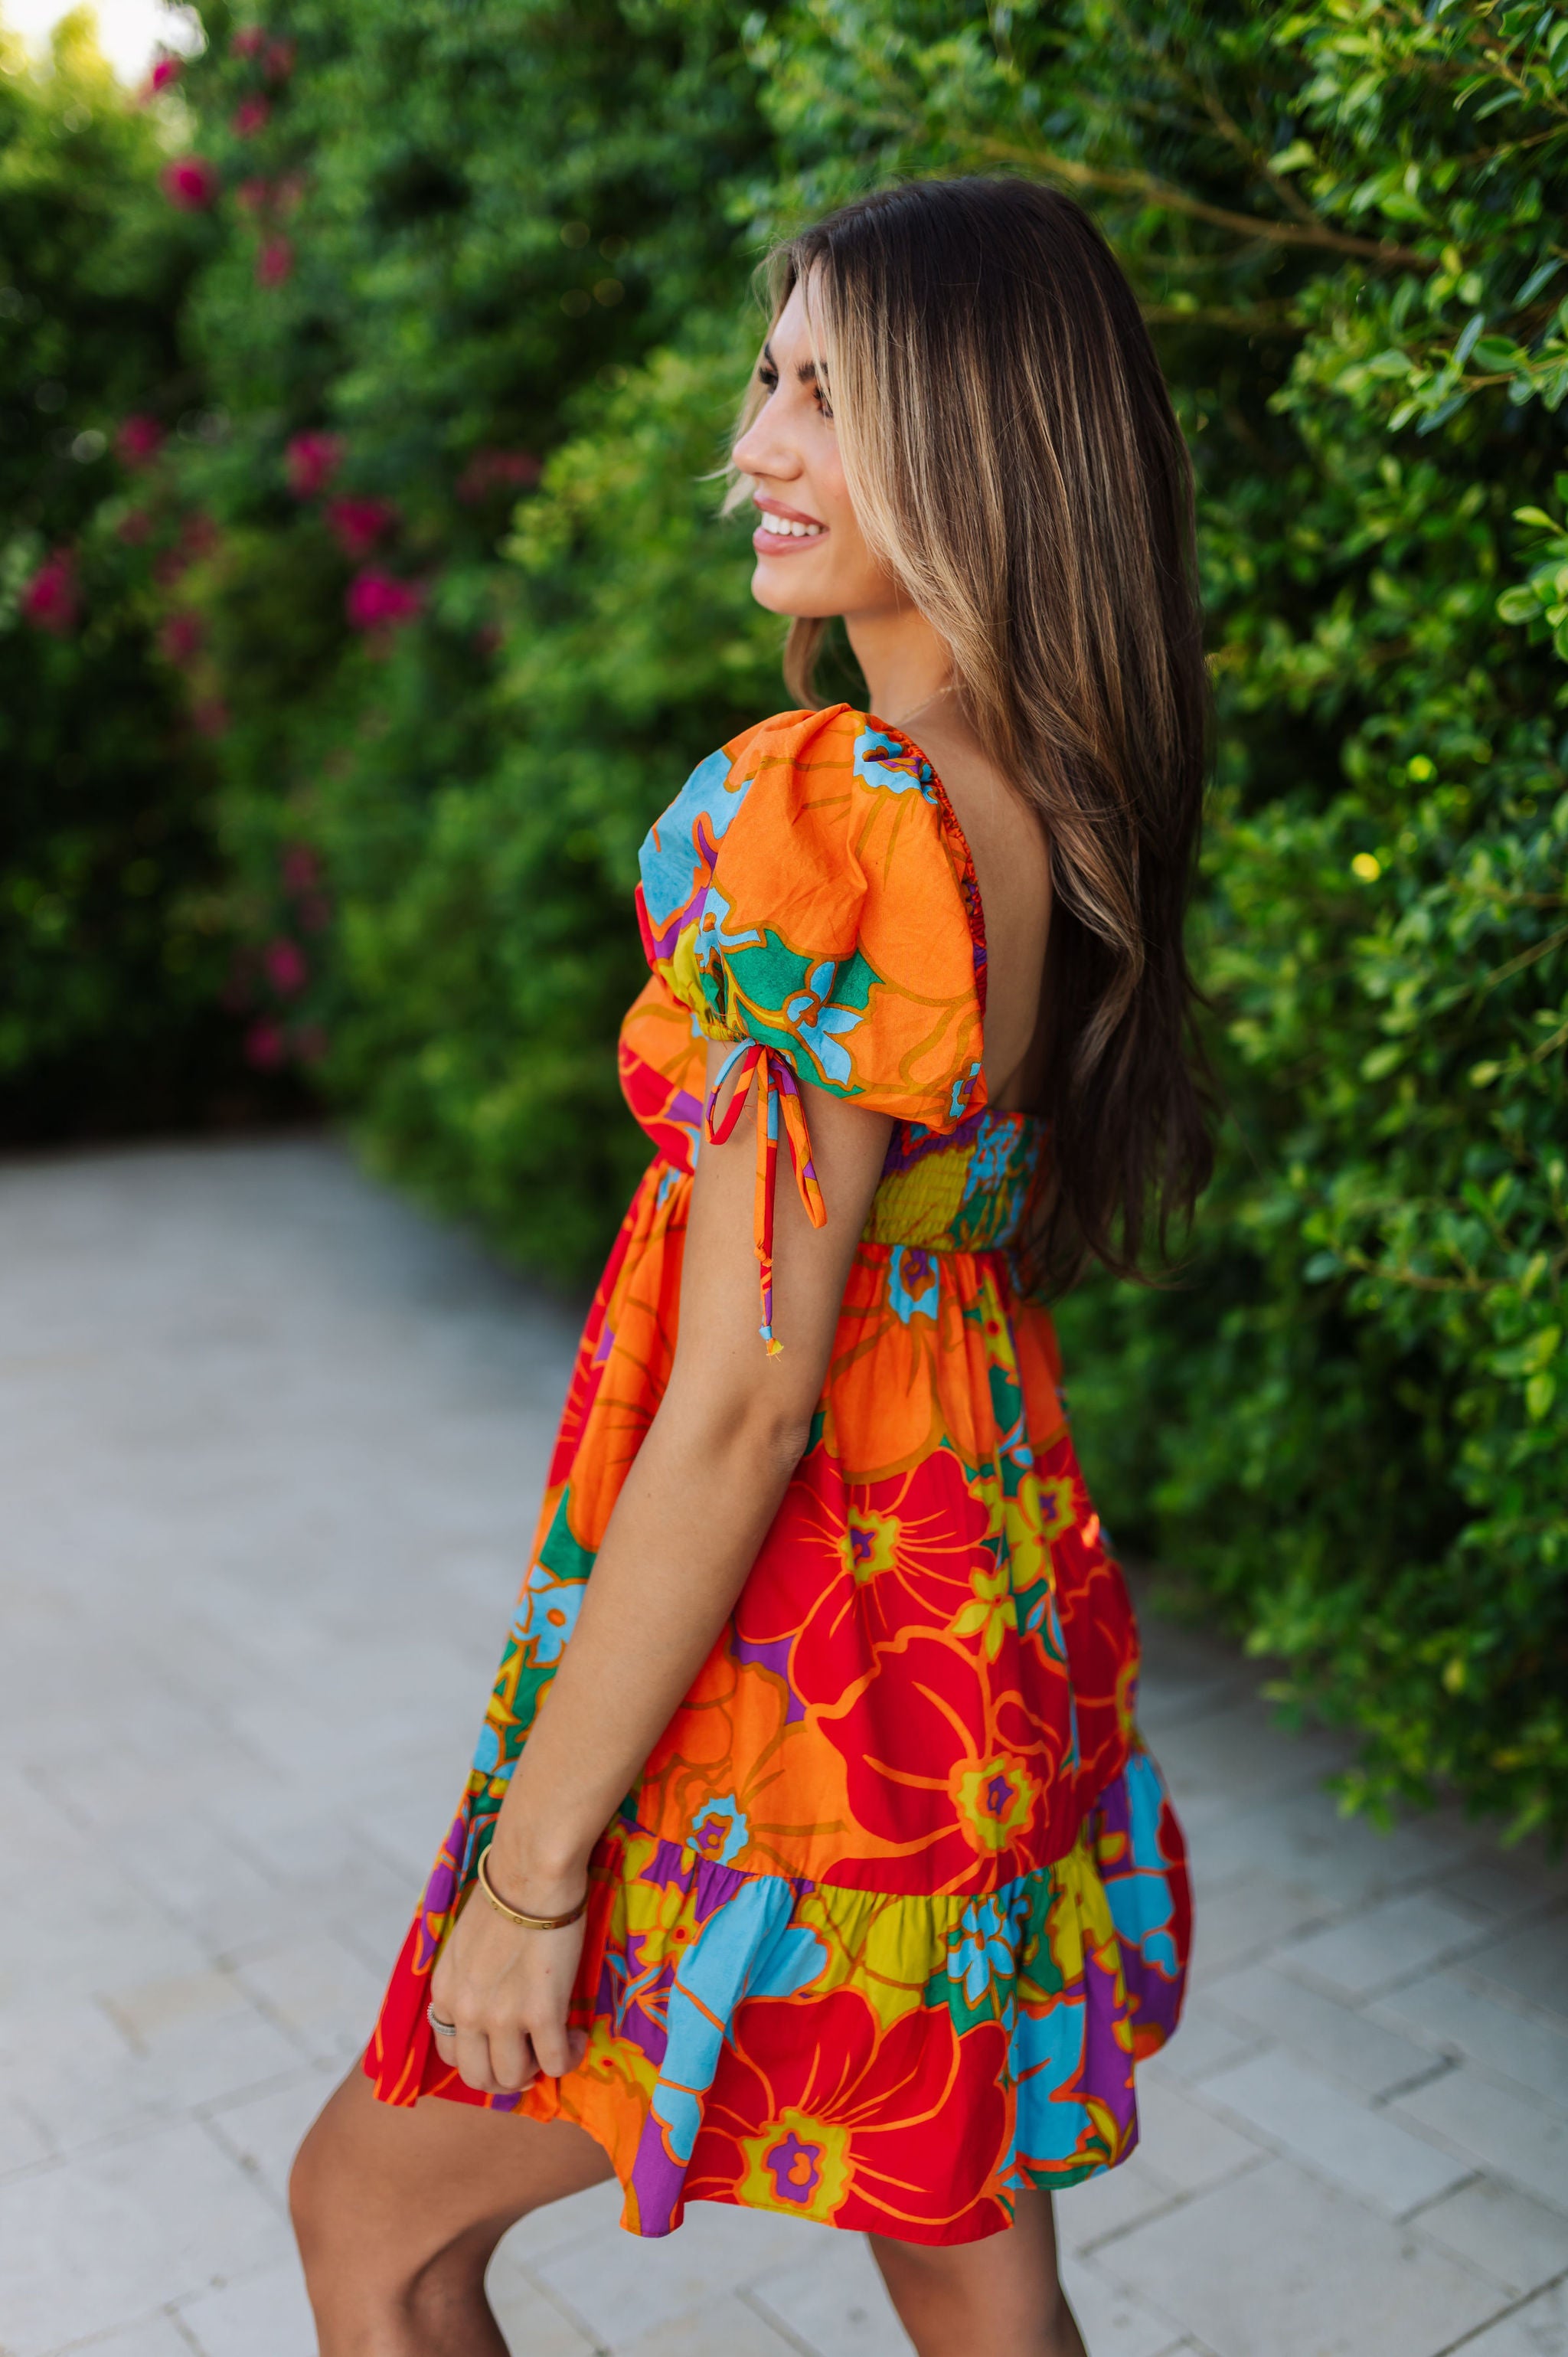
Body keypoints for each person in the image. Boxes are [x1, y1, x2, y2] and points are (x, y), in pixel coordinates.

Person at [290, 175, 1210, 2357]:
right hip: (962, 1658)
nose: (758, 448)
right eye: (769, 378)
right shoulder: (1060, 802)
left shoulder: (842, 814)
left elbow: (743, 1397)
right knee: (971, 2250)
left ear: (984, 444)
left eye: (830, 397)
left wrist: (534, 1877)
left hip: (785, 1681)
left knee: (373, 2215)